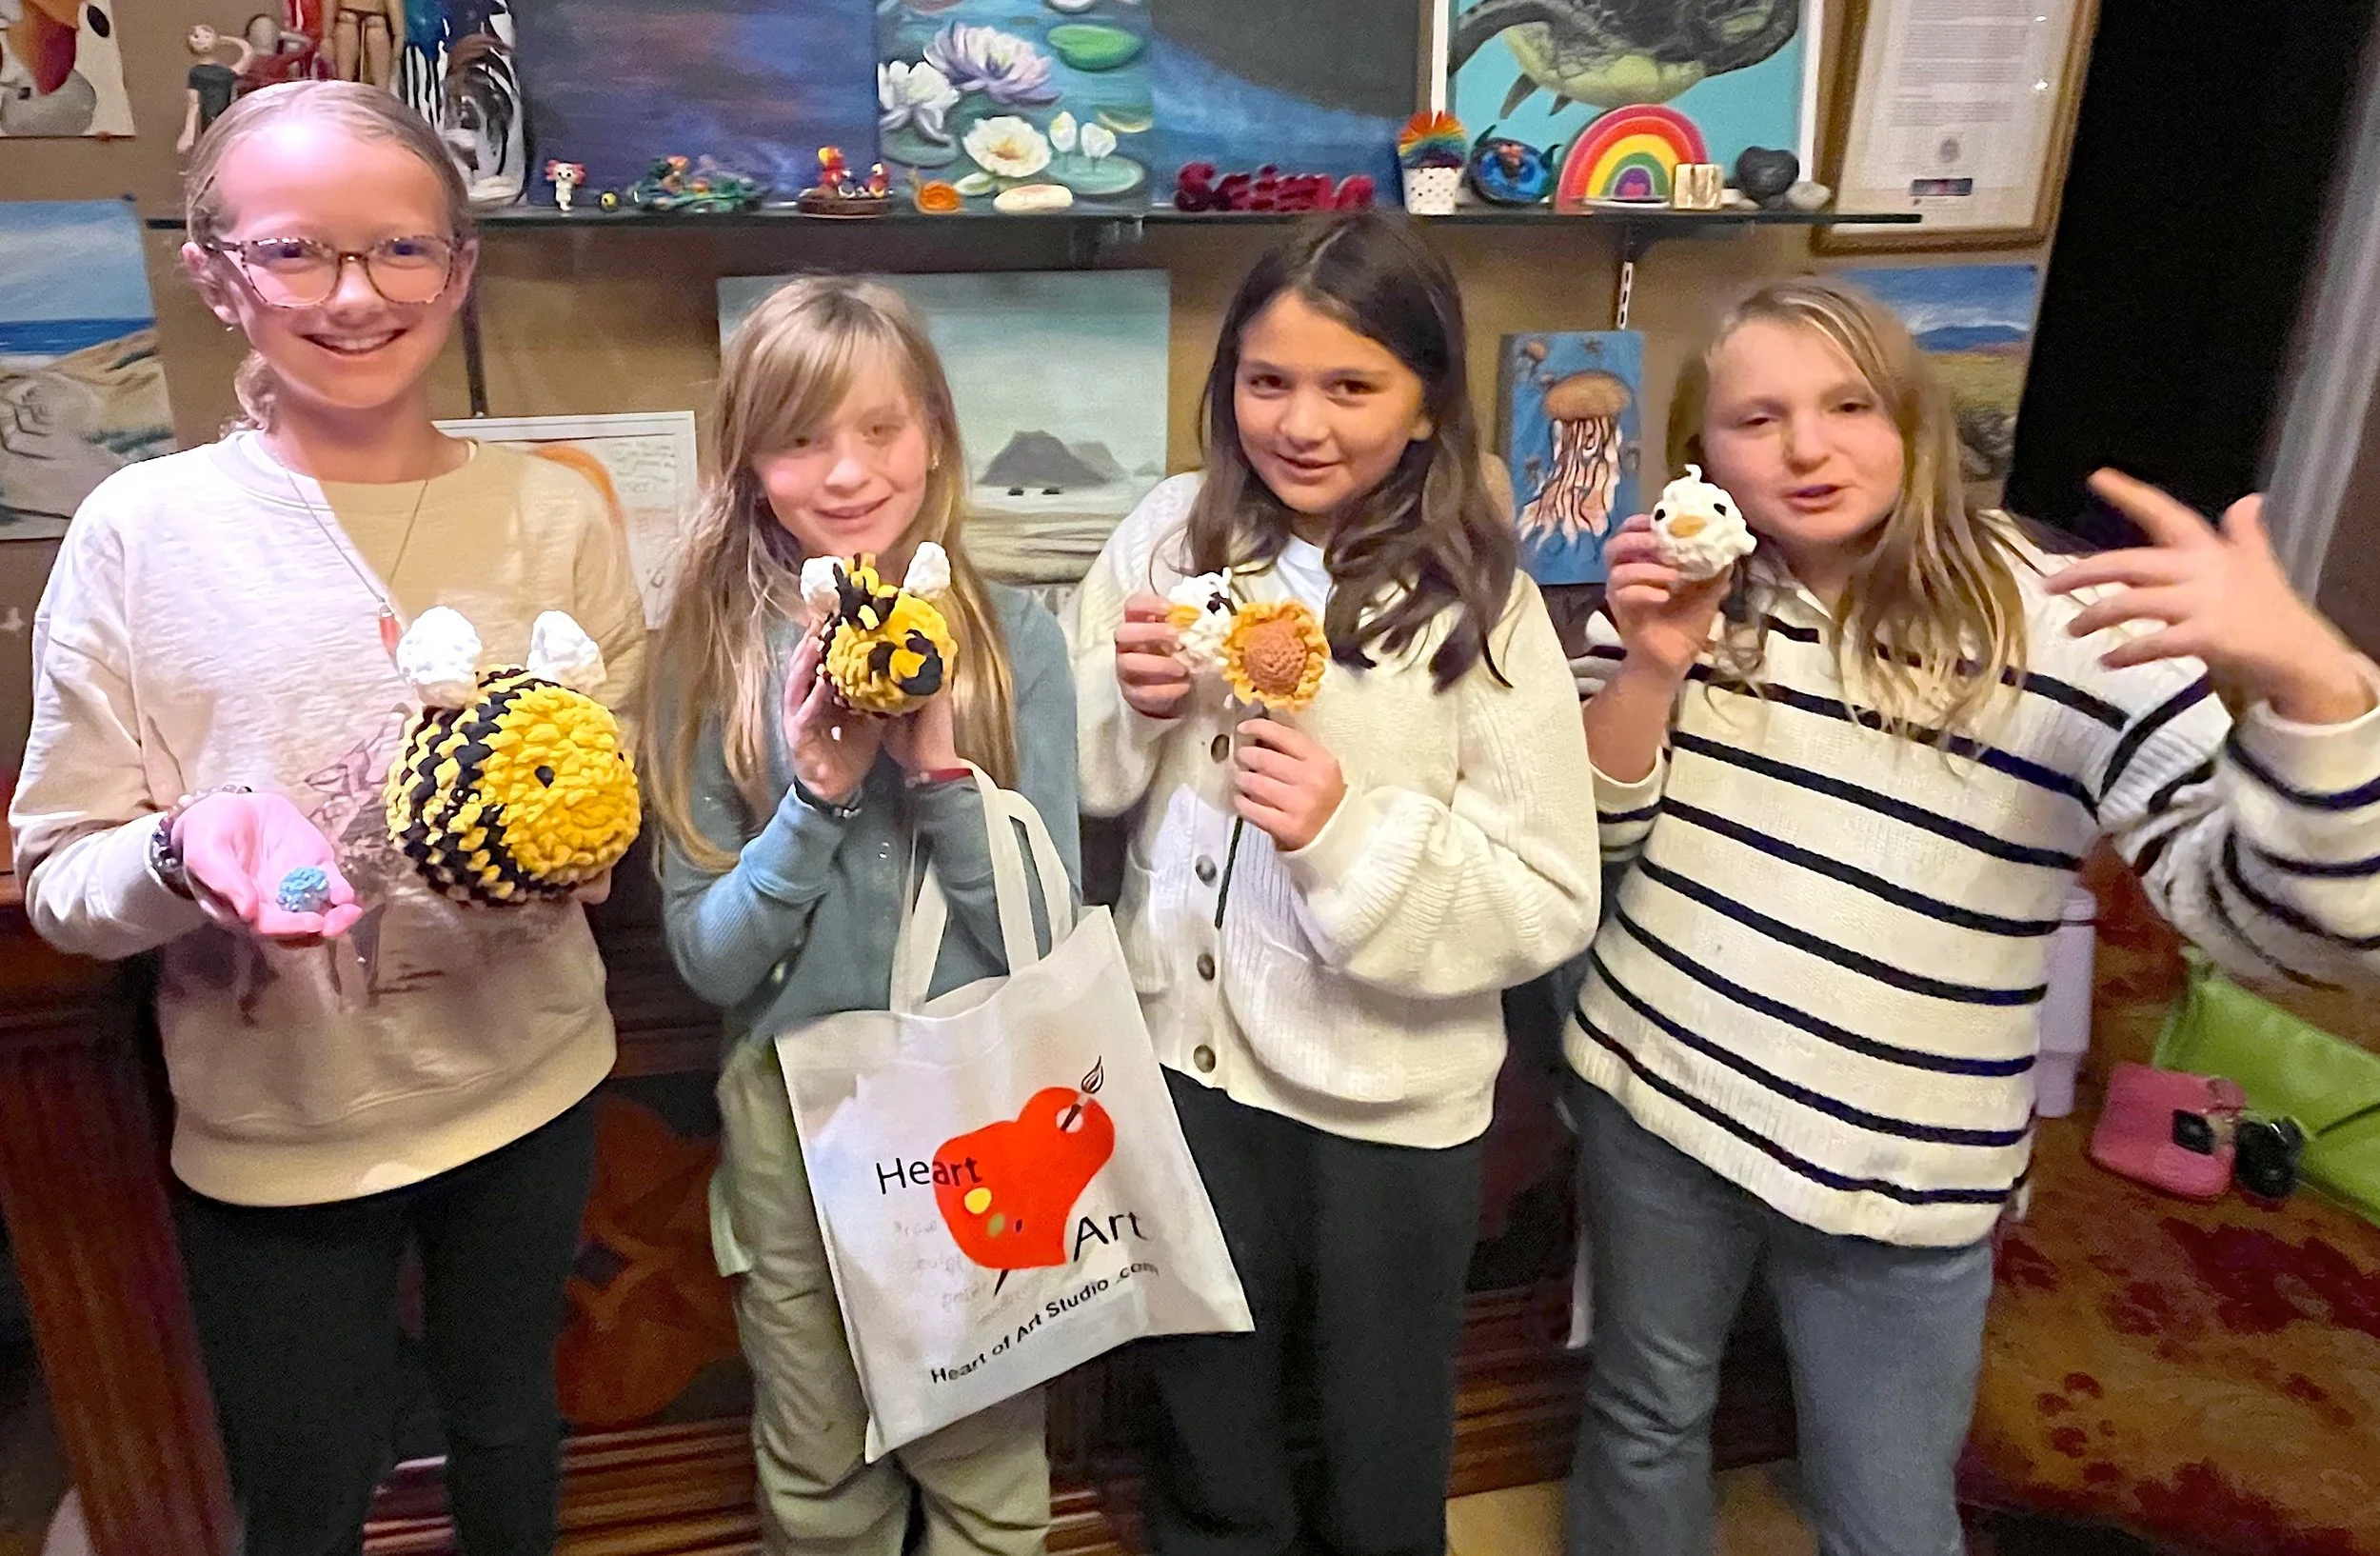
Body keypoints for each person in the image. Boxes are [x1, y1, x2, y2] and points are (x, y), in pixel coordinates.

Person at [1565, 273, 2380, 1556]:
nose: (1809, 447)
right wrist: (1656, 664)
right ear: (1702, 456)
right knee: (1643, 1412)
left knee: (1885, 1504)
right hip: (1655, 1100)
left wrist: (2317, 691)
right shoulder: (1689, 594)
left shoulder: (2070, 625)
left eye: (1850, 403)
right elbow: (1598, 842)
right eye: (1757, 418)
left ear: (1916, 419)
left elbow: (2283, 929)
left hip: (1904, 1175)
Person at [10, 81, 644, 1556]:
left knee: (511, 1426)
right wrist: (180, 854)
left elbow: (608, 784)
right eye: (297, 253)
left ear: (459, 268)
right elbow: (58, 872)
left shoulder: (556, 514)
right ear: (215, 272)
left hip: (531, 1079)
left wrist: (574, 832)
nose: (355, 296)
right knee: (304, 1479)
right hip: (278, 1122)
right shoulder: (141, 535)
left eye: (401, 251)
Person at [1073, 211, 1602, 1556]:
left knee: (1380, 1426)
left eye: (1352, 385)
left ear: (1428, 407)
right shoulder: (1166, 537)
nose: (1301, 422)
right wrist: (1128, 707)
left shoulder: (1479, 600)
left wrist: (1346, 836)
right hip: (1187, 1069)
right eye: (1268, 381)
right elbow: (1074, 781)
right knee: (1208, 1397)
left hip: (1387, 1109)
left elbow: (1550, 891)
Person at [649, 275, 1079, 1556]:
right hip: (794, 1115)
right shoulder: (708, 650)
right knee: (820, 1459)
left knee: (988, 1459)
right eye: (800, 438)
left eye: (881, 430)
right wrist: (819, 796)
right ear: (747, 462)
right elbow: (708, 956)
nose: (847, 472)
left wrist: (940, 772)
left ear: (935, 433)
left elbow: (1043, 940)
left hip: (981, 1111)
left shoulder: (1016, 645)